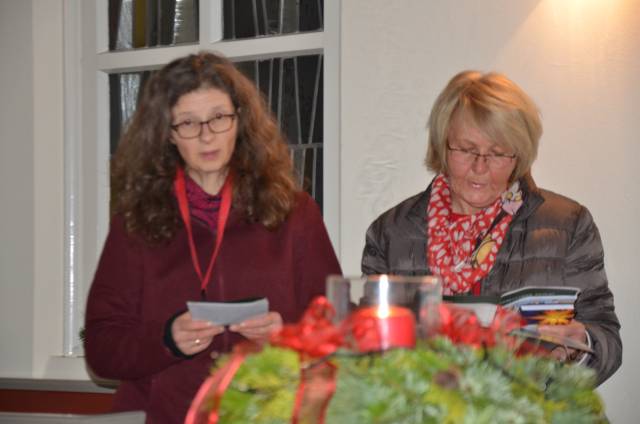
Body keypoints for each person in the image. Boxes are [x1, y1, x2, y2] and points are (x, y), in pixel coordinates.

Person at [84, 51, 341, 423]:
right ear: (167, 134)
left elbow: (333, 330)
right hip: (164, 415)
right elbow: (101, 350)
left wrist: (285, 334)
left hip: (266, 413)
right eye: (187, 123)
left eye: (218, 118)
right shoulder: (135, 222)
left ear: (240, 120)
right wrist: (166, 340)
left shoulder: (293, 211)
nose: (206, 135)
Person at [361, 70, 621, 386]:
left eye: (497, 153)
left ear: (519, 155)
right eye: (467, 149)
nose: (480, 167)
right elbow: (368, 346)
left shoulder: (568, 224)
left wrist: (581, 347)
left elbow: (607, 339)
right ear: (443, 146)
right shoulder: (391, 233)